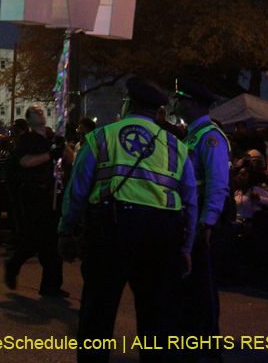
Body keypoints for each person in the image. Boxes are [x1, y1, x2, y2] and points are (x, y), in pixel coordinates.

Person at [58, 77, 197, 363]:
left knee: (98, 312)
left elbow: (78, 188)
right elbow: (191, 202)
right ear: (157, 111)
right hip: (162, 234)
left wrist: (66, 229)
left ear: (128, 103)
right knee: (158, 318)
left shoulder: (101, 137)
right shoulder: (176, 146)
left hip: (112, 228)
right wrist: (186, 246)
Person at [173, 78, 229, 363]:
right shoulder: (191, 136)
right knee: (190, 285)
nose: (176, 103)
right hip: (189, 220)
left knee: (203, 286)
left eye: (181, 99)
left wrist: (207, 224)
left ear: (194, 103)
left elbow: (218, 184)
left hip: (202, 225)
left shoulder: (210, 137)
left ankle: (206, 347)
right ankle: (192, 339)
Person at [4, 104, 67, 298]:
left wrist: (64, 147)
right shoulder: (27, 139)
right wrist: (50, 154)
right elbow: (25, 162)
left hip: (52, 195)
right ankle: (14, 264)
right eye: (35, 112)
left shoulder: (50, 139)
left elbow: (70, 158)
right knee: (36, 238)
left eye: (42, 111)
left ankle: (51, 285)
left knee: (52, 241)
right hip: (33, 194)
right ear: (29, 120)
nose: (40, 113)